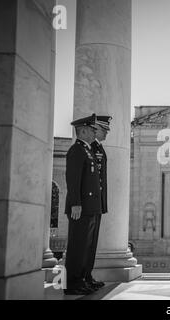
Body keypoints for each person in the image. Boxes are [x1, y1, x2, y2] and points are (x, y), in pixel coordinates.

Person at [64, 114, 102, 295]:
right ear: (84, 131)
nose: (95, 133)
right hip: (81, 207)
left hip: (89, 207)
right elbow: (73, 179)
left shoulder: (87, 150)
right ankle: (72, 283)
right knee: (77, 245)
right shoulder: (77, 150)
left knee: (85, 246)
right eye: (93, 130)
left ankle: (82, 279)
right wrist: (76, 204)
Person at [83, 116, 112, 290]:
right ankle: (78, 279)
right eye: (104, 130)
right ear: (95, 129)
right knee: (83, 243)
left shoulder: (97, 148)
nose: (106, 133)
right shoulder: (87, 149)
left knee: (91, 243)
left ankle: (86, 277)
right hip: (88, 203)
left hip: (96, 203)